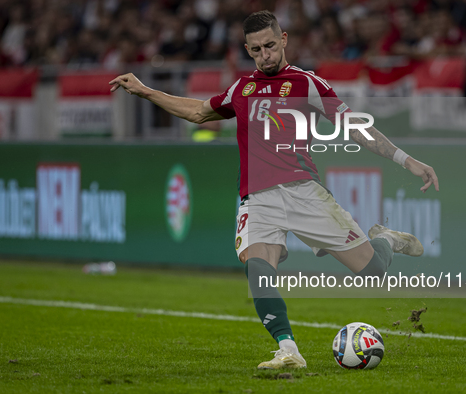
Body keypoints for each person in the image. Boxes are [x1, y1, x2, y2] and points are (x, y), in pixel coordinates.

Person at [109, 10, 439, 370]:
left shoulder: (307, 83)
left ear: (283, 40)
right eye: (255, 50)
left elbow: (356, 128)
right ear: (248, 50)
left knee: (372, 271)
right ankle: (288, 350)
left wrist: (408, 161)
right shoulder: (242, 88)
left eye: (269, 46)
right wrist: (145, 91)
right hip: (258, 198)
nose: (264, 55)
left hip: (303, 191)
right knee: (257, 267)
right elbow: (199, 113)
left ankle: (387, 239)